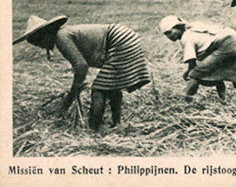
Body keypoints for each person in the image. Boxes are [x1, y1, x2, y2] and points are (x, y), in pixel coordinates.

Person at [13, 15, 151, 132]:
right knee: (111, 84)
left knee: (98, 90)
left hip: (119, 39)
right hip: (124, 36)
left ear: (45, 35)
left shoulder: (61, 37)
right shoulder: (65, 34)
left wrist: (70, 97)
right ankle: (116, 123)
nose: (41, 47)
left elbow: (81, 66)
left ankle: (94, 129)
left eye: (39, 43)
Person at [160, 16, 236, 102]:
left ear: (178, 27)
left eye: (169, 32)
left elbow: (192, 62)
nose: (168, 36)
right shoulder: (192, 27)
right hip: (235, 38)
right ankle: (224, 99)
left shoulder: (186, 37)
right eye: (166, 34)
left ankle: (187, 100)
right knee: (216, 72)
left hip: (226, 43)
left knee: (196, 74)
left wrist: (189, 73)